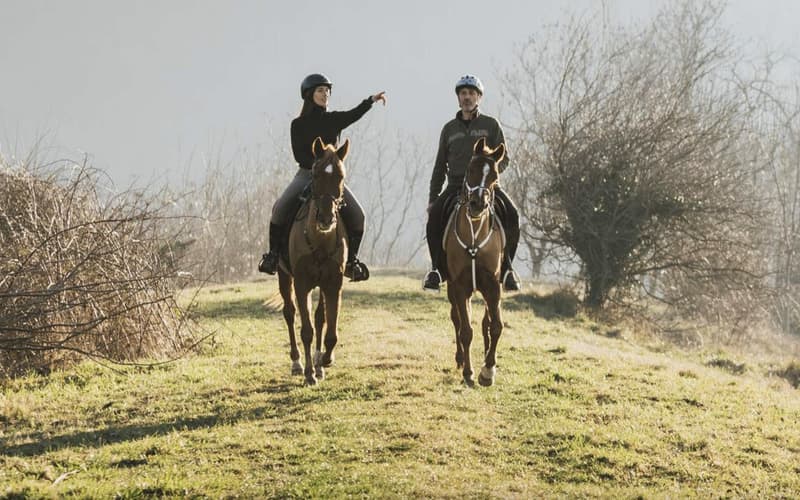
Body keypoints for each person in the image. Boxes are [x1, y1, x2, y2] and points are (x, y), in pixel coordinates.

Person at [258, 73, 386, 281]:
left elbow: (354, 114)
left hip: (331, 179)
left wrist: (370, 100)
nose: (325, 94)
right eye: (320, 90)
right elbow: (299, 155)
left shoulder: (334, 119)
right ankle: (272, 256)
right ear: (309, 94)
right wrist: (318, 167)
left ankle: (351, 261)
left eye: (327, 91)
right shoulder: (298, 124)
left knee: (359, 215)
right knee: (279, 209)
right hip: (306, 174)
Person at [423, 74, 521, 292]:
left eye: (471, 93)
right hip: (456, 185)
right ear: (458, 98)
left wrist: (488, 176)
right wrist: (432, 198)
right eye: (463, 93)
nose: (467, 97)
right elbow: (439, 167)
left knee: (513, 215)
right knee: (434, 219)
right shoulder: (449, 129)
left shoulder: (491, 125)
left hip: (486, 186)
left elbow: (504, 158)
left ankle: (507, 269)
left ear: (479, 97)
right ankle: (436, 270)